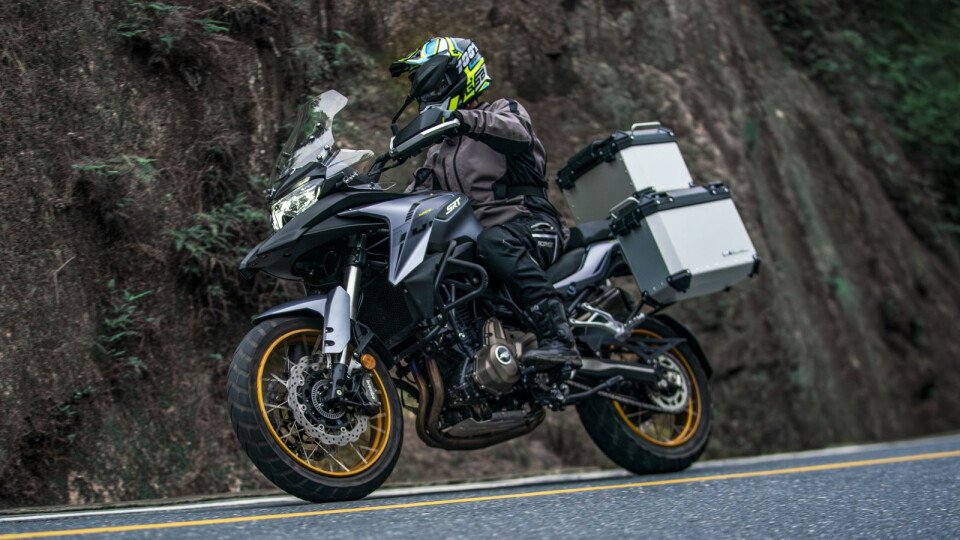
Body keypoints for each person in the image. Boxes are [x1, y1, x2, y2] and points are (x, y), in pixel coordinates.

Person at [390, 37, 580, 367]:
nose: (426, 93)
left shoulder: (504, 111)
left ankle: (559, 336)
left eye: (432, 82)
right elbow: (414, 197)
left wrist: (464, 119)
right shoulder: (438, 150)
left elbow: (517, 132)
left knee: (494, 242)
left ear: (459, 75)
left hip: (529, 223)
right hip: (477, 240)